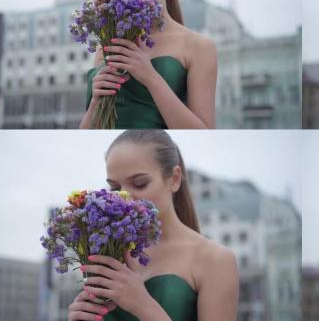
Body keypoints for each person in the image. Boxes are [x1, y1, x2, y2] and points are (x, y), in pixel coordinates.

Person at [68, 130, 238, 320]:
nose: (124, 197)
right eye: (115, 188)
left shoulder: (215, 259)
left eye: (140, 184)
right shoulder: (109, 250)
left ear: (174, 179)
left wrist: (143, 306)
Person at [81, 0, 217, 129]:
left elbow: (204, 133)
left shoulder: (199, 46)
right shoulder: (107, 41)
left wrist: (150, 77)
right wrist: (96, 101)